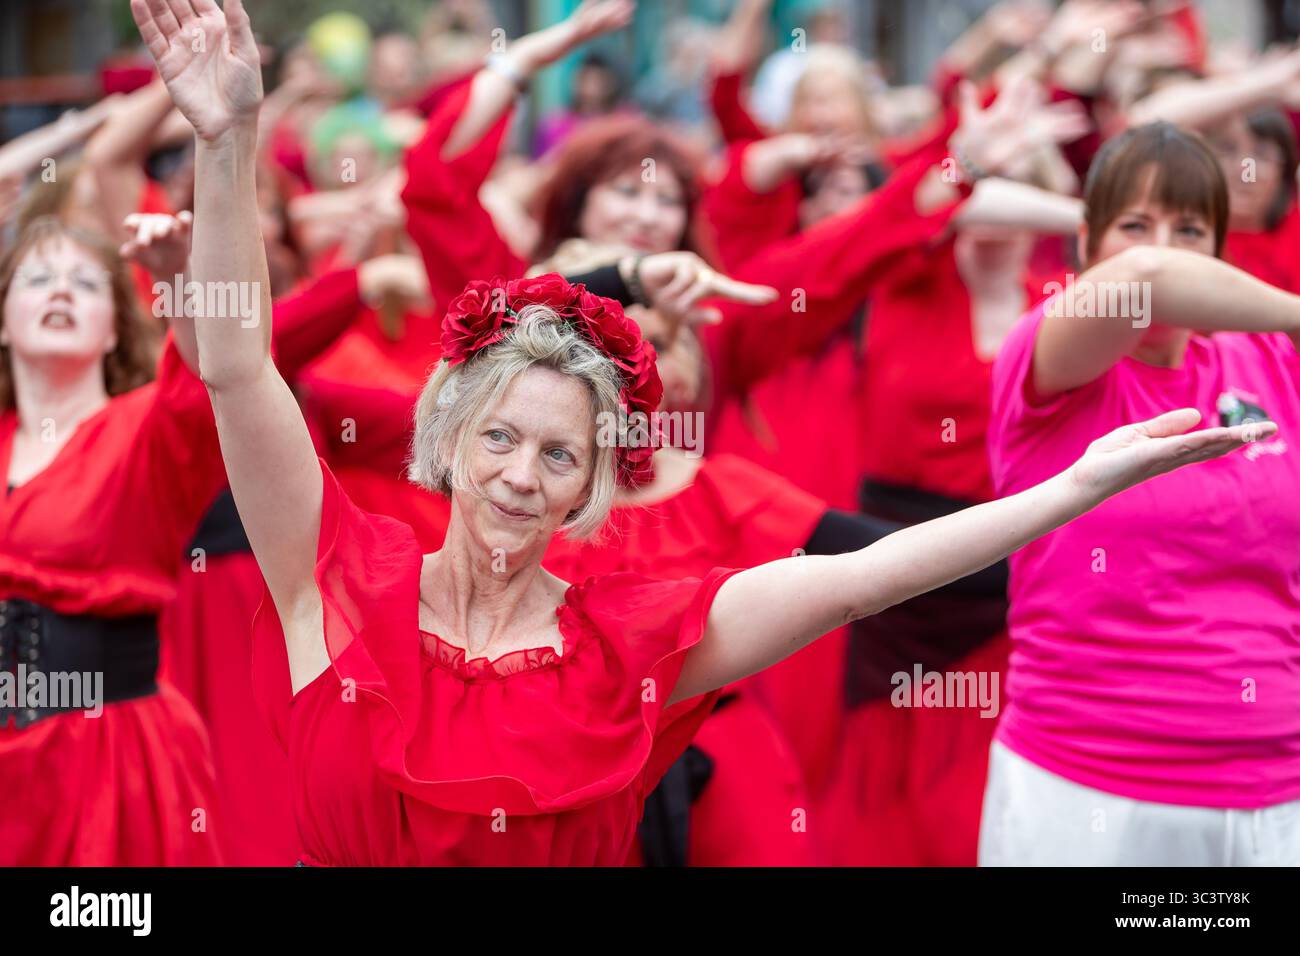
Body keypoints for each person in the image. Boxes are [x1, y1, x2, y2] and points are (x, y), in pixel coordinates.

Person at [132, 0, 1271, 867]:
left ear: (592, 486)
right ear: (445, 440)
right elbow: (236, 363)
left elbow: (864, 576)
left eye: (561, 453)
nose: (522, 475)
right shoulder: (332, 578)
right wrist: (227, 142)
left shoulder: (631, 640)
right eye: (499, 440)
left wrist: (1076, 485)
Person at [982, 121, 1300, 865]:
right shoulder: (1050, 357)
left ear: (1222, 257)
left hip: (1274, 783)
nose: (1162, 246)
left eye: (1190, 228)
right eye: (1134, 225)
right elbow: (1146, 281)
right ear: (1087, 245)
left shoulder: (1270, 362)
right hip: (1089, 784)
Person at [0, 209, 224, 865]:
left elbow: (215, 377)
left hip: (102, 761)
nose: (63, 291)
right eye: (39, 279)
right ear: (4, 322)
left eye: (88, 283)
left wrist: (179, 278)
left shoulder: (146, 432)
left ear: (112, 332)